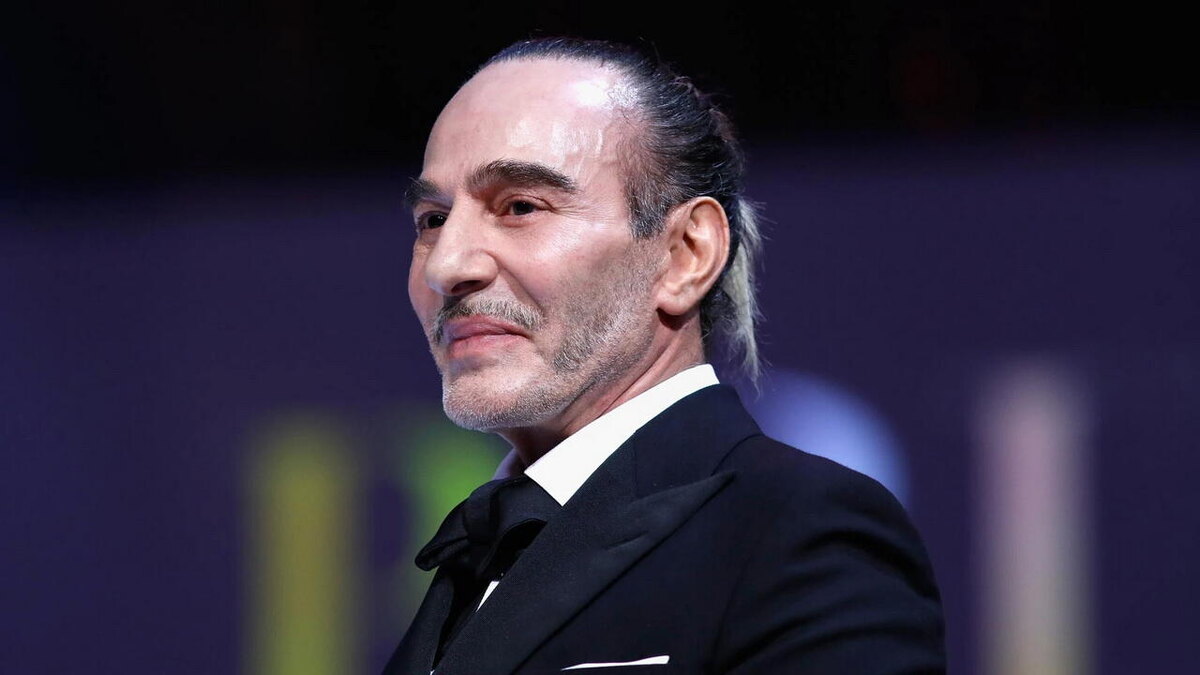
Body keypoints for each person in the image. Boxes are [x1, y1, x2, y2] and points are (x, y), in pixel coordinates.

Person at [384, 37, 945, 674]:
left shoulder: (798, 533)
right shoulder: (471, 568)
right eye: (432, 220)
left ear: (685, 255)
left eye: (520, 207)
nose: (447, 266)